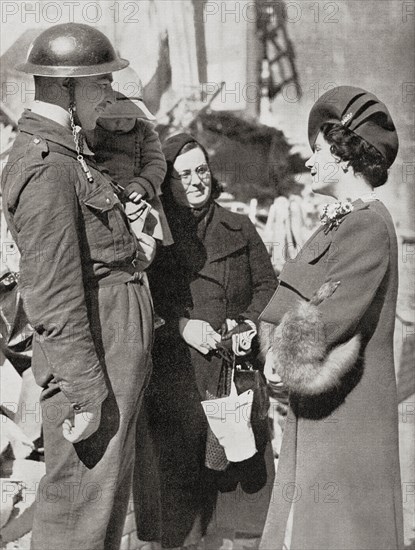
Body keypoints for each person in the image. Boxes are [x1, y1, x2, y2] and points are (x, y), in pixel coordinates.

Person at [1, 23, 155, 550]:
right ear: (65, 88)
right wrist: (86, 394)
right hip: (91, 365)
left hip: (109, 353)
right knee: (77, 509)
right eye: (101, 85)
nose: (110, 95)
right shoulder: (46, 168)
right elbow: (52, 294)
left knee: (103, 502)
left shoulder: (72, 156)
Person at [259, 86, 404, 550]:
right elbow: (293, 299)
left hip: (348, 417)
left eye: (318, 151)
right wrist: (270, 351)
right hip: (329, 408)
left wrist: (280, 360)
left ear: (344, 157)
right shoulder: (342, 221)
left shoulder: (365, 224)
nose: (310, 162)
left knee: (337, 534)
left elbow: (328, 317)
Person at [133, 133, 278, 549]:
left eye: (201, 171)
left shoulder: (239, 226)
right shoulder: (152, 238)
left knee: (238, 495)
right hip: (177, 382)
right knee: (182, 507)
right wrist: (180, 326)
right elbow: (140, 301)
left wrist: (249, 325)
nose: (195, 181)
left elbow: (267, 285)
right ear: (168, 185)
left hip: (233, 380)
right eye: (183, 175)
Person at [88, 85, 173, 245]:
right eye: (113, 118)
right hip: (102, 200)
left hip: (138, 198)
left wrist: (144, 184)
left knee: (146, 244)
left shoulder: (144, 131)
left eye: (129, 118)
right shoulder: (89, 131)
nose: (120, 123)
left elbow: (155, 163)